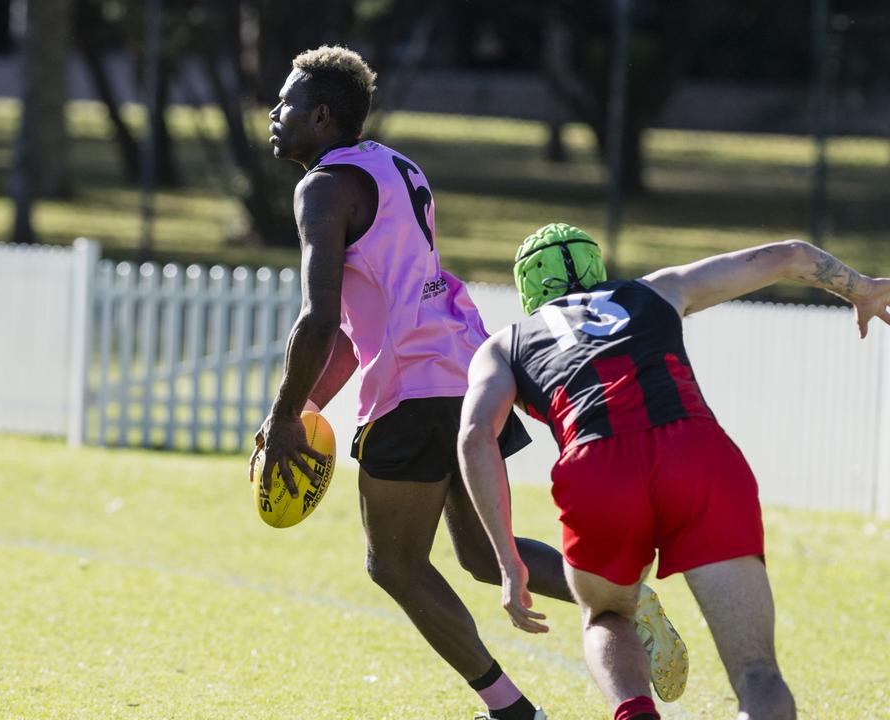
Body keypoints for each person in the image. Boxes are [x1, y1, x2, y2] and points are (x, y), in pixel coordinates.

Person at [251, 46, 685, 720]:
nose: (275, 115)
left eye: (286, 104)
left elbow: (317, 318)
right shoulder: (394, 166)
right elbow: (346, 329)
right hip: (469, 368)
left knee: (392, 564)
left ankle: (511, 710)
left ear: (322, 115)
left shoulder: (323, 188)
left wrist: (284, 420)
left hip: (414, 388)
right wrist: (307, 402)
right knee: (486, 555)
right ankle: (625, 589)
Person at [458, 222, 890, 720]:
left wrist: (510, 562)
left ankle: (636, 711)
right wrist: (861, 288)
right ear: (597, 268)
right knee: (757, 671)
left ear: (527, 290)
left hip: (599, 468)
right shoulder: (655, 290)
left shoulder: (504, 345)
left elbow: (474, 437)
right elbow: (789, 254)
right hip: (695, 451)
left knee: (606, 613)